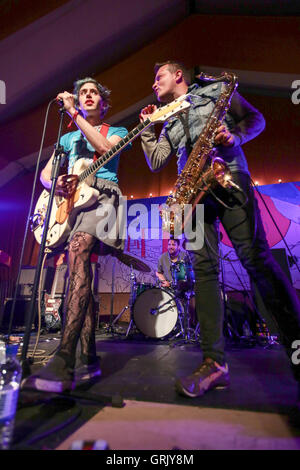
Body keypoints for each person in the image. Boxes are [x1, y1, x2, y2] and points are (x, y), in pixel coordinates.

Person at [139, 60, 300, 402]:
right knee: (204, 271)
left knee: (255, 259)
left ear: (178, 75)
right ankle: (214, 364)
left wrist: (233, 135)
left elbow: (255, 120)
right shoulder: (167, 115)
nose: (154, 84)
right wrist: (147, 131)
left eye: (159, 77)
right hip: (193, 191)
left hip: (227, 173)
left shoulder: (217, 90)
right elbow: (156, 161)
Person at [23, 77, 129, 393]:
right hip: (73, 205)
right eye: (82, 93)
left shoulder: (118, 131)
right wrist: (55, 184)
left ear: (104, 103)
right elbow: (45, 175)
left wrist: (73, 113)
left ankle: (65, 358)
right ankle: (90, 358)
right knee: (77, 273)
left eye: (93, 92)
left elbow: (105, 148)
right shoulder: (67, 139)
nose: (86, 96)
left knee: (80, 249)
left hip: (103, 198)